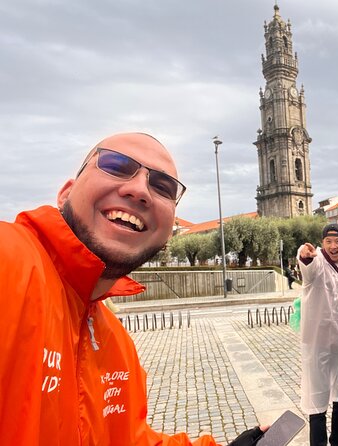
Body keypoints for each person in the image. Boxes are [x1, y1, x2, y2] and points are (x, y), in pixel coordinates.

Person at [0, 133, 267, 445]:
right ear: (65, 194)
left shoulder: (116, 345)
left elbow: (128, 439)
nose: (140, 190)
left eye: (163, 187)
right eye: (115, 165)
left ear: (167, 234)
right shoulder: (10, 260)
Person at [297, 223, 338, 446]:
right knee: (318, 404)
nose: (333, 246)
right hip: (318, 346)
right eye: (328, 242)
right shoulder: (318, 263)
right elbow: (307, 266)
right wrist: (306, 257)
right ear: (322, 243)